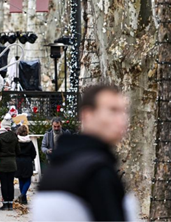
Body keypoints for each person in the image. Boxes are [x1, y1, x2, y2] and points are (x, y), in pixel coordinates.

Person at [33, 83, 130, 221]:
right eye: (113, 110)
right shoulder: (97, 172)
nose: (122, 119)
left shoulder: (58, 169)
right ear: (87, 115)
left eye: (124, 111)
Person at [0, 114, 18, 211]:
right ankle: (11, 203)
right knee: (10, 183)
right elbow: (18, 151)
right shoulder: (14, 137)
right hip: (12, 163)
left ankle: (5, 203)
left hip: (1, 163)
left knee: (4, 183)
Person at [15, 124, 36, 205]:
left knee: (21, 180)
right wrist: (30, 159)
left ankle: (23, 198)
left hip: (18, 161)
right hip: (27, 161)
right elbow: (33, 153)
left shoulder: (17, 142)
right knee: (28, 180)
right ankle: (23, 195)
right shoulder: (29, 142)